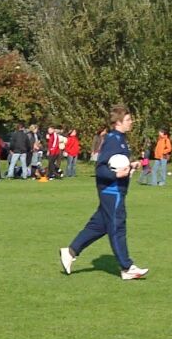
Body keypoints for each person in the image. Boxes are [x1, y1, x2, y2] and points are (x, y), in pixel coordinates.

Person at [59, 105, 149, 281]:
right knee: (117, 227)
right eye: (129, 119)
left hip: (116, 190)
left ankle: (70, 252)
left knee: (98, 226)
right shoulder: (113, 139)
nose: (132, 122)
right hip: (112, 191)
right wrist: (116, 174)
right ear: (118, 122)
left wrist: (132, 165)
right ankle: (126, 267)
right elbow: (100, 168)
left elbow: (117, 162)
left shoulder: (121, 139)